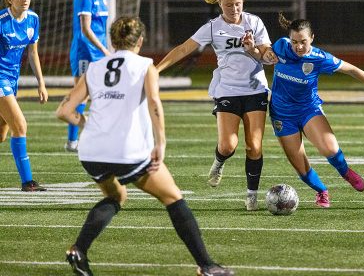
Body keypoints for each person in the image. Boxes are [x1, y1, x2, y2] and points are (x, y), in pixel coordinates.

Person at [56, 16, 234, 276]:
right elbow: (154, 104)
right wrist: (160, 142)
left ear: (112, 41)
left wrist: (85, 123)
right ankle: (207, 265)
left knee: (116, 196)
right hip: (126, 151)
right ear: (140, 41)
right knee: (173, 197)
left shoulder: (94, 68)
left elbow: (64, 111)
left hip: (91, 151)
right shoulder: (145, 66)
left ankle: (79, 250)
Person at [156, 0, 278, 211]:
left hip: (255, 89)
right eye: (229, 5)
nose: (234, 9)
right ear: (220, 4)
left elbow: (266, 56)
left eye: (238, 4)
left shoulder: (254, 22)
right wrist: (156, 69)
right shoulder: (212, 27)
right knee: (227, 146)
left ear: (244, 3)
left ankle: (251, 194)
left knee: (254, 145)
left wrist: (258, 51)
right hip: (227, 90)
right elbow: (183, 48)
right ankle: (219, 162)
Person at [270, 13, 364, 208]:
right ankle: (322, 191)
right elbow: (262, 53)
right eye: (294, 41)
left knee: (329, 148)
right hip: (281, 114)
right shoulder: (280, 46)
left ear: (312, 38)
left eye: (303, 42)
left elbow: (351, 69)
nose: (298, 46)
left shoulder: (319, 58)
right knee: (299, 165)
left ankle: (345, 172)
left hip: (308, 109)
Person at [0, 0, 48, 192]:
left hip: (12, 79)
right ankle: (27, 182)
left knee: (2, 133)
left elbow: (33, 53)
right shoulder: (1, 21)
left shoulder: (33, 19)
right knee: (20, 125)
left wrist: (41, 83)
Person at [66, 0, 111, 152]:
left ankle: (93, 136)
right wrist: (104, 49)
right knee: (81, 96)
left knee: (101, 94)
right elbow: (85, 29)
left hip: (99, 52)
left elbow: (101, 28)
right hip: (85, 51)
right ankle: (73, 141)